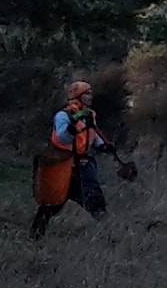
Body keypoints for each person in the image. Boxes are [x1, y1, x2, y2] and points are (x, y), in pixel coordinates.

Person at [31, 80, 123, 239]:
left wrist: (103, 146)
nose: (90, 96)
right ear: (78, 96)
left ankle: (111, 233)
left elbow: (93, 136)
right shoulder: (63, 115)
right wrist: (73, 125)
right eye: (87, 93)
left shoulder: (90, 115)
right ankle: (36, 235)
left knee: (94, 197)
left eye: (90, 93)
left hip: (84, 163)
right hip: (64, 163)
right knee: (53, 202)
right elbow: (62, 138)